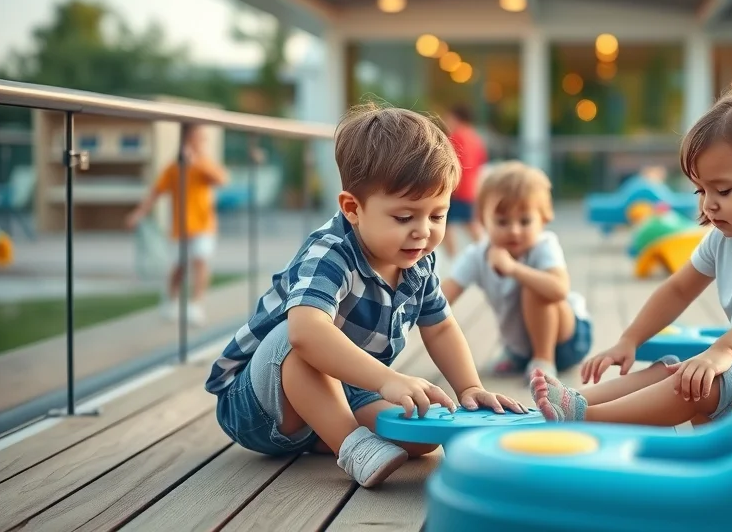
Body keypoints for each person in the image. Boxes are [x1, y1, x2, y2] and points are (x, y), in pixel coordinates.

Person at [204, 104, 523, 489]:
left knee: (421, 436)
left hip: (344, 387)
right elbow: (304, 334)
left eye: (437, 216)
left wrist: (470, 388)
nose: (423, 231)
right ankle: (351, 445)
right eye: (404, 217)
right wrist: (387, 379)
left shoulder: (417, 260)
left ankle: (326, 434)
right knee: (300, 335)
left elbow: (440, 327)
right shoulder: (330, 254)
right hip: (259, 405)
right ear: (353, 208)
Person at [529, 84, 732, 426]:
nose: (709, 204)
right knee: (669, 371)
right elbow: (678, 289)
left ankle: (588, 418)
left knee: (695, 384)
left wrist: (723, 351)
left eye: (723, 190)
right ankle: (576, 401)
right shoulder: (724, 238)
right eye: (701, 191)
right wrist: (629, 340)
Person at [441, 161, 593, 380]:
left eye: (525, 221)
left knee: (534, 286)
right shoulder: (478, 254)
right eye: (502, 222)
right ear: (483, 220)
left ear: (544, 218)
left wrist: (513, 269)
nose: (514, 230)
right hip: (520, 345)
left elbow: (559, 289)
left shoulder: (544, 245)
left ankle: (544, 360)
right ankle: (520, 355)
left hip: (566, 341)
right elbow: (443, 295)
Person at [126, 124, 228, 326]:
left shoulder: (204, 164)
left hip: (204, 225)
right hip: (181, 227)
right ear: (187, 138)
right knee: (179, 268)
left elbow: (221, 180)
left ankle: (196, 305)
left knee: (201, 261)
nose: (202, 141)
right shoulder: (173, 168)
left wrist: (196, 163)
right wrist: (138, 214)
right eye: (199, 137)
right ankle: (170, 299)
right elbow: (155, 192)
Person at [442, 104, 487, 257]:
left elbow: (451, 163)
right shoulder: (475, 137)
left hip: (457, 188)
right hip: (471, 188)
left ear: (456, 118)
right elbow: (481, 162)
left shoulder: (457, 136)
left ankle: (453, 258)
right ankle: (485, 250)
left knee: (444, 224)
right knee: (470, 223)